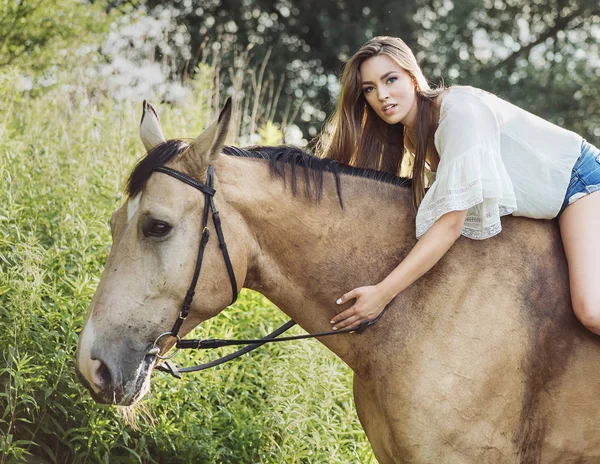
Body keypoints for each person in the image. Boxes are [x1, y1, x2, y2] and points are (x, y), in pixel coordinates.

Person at [322, 36, 600, 335]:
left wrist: (383, 293)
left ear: (413, 77)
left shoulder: (459, 114)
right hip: (548, 203)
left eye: (391, 80)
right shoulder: (413, 136)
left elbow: (451, 224)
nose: (382, 95)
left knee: (591, 311)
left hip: (579, 182)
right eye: (370, 89)